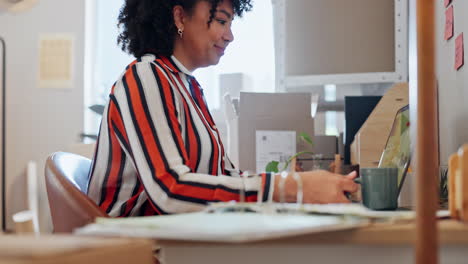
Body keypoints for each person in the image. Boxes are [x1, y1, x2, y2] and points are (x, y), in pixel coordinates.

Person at [87, 0, 359, 217]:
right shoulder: (145, 77)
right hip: (133, 247)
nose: (230, 36)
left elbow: (224, 175)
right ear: (180, 17)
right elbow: (170, 190)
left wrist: (295, 183)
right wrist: (289, 188)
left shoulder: (188, 87)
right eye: (220, 21)